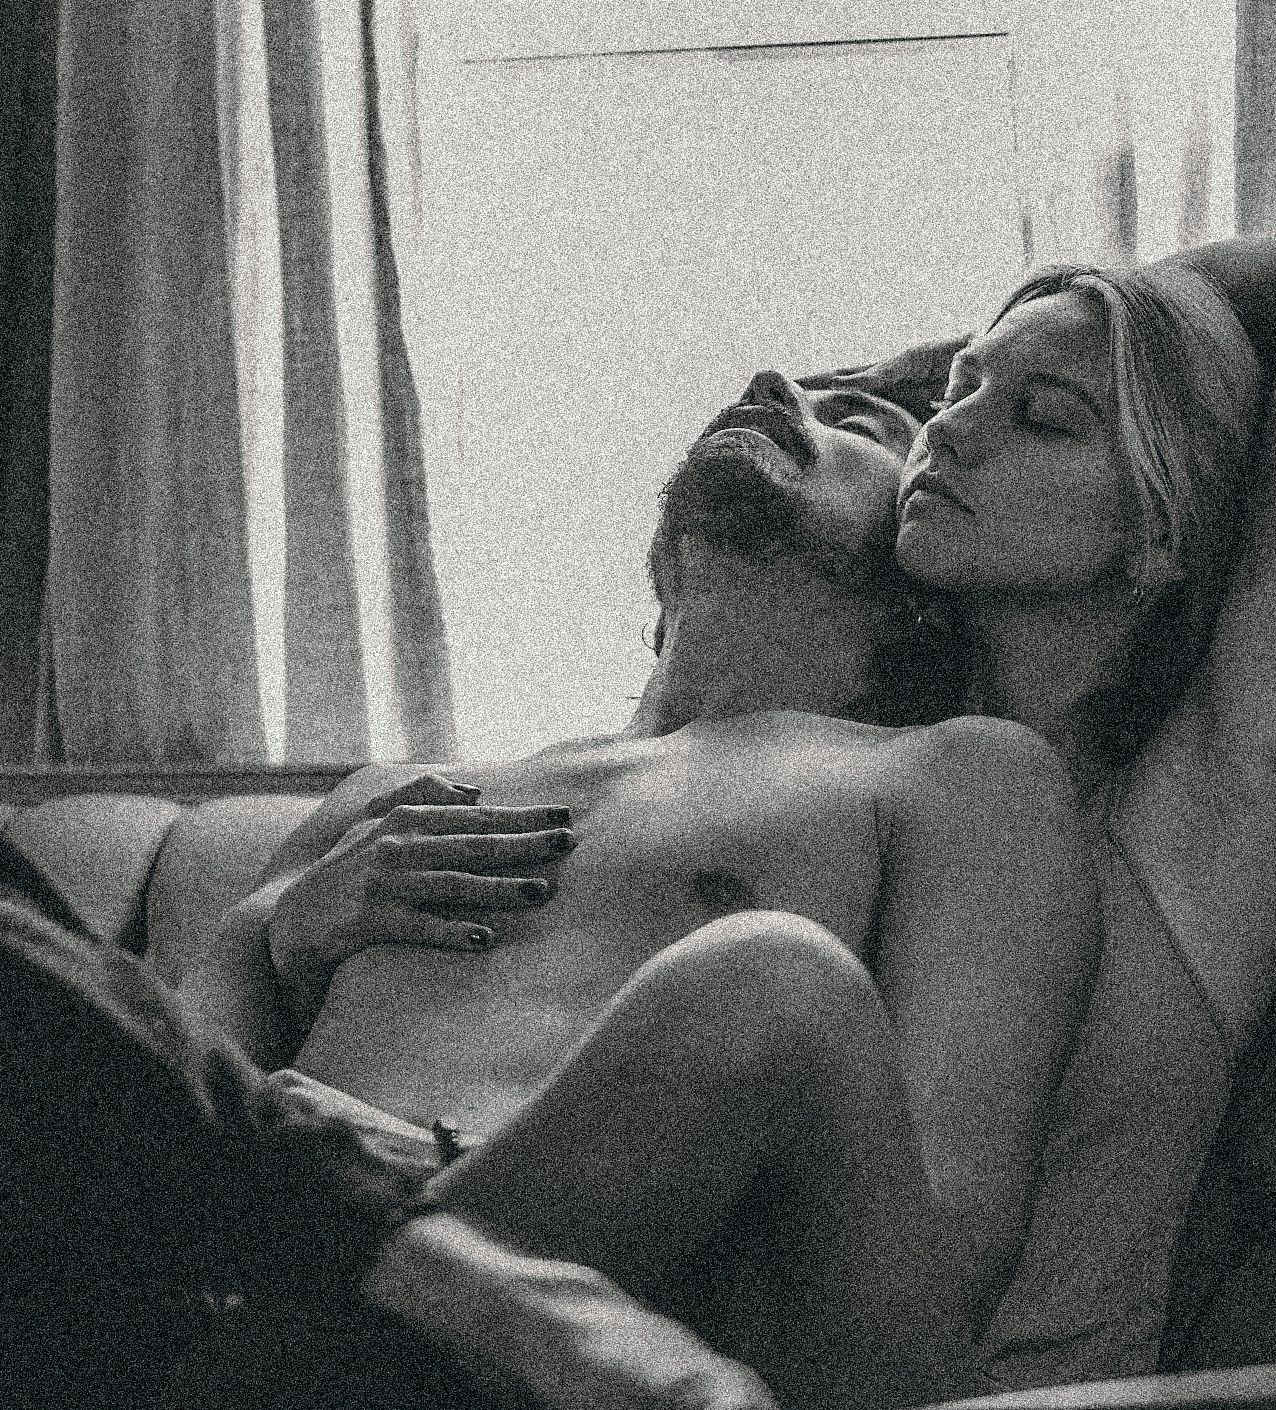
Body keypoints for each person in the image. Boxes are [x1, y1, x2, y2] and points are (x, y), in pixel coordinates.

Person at [5, 366, 1098, 1410]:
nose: (773, 387)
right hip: (225, 1299)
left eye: (855, 422)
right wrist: (275, 934)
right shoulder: (392, 797)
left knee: (779, 982)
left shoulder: (950, 773)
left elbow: (925, 1270)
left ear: (923, 585)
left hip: (535, 1346)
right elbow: (146, 1123)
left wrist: (454, 1184)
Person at [830, 216, 1276, 1389]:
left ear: (1159, 533)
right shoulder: (850, 768)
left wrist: (1121, 311)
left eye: (1043, 419)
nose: (948, 429)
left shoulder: (1210, 817)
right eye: (957, 390)